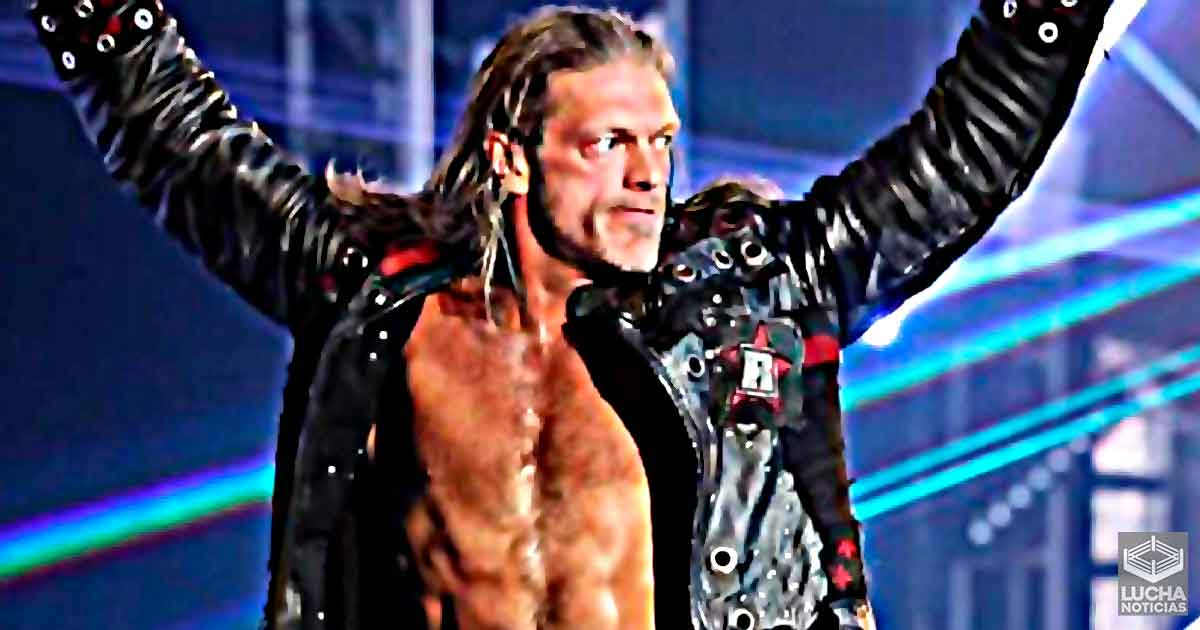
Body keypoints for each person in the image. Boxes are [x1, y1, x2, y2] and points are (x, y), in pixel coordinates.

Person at [26, 0, 1117, 628]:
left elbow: (951, 166)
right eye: (609, 144)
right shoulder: (378, 301)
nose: (649, 176)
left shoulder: (746, 299)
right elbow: (184, 149)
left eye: (662, 144)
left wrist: (1046, 16)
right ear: (512, 158)